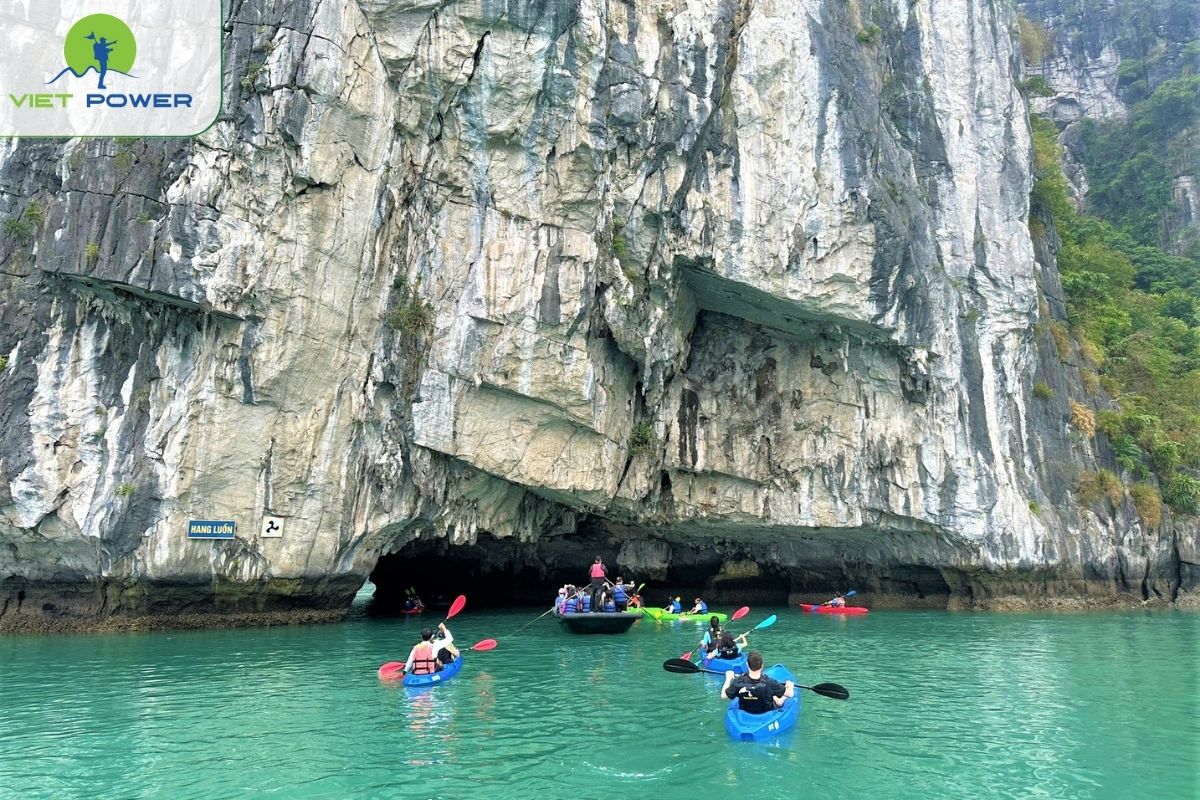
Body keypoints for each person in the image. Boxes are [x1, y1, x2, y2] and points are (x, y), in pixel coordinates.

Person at [720, 652, 794, 714]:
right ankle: (778, 700)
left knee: (770, 692)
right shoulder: (770, 682)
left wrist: (728, 678)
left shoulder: (738, 682)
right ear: (762, 665)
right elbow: (790, 694)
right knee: (772, 692)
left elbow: (723, 695)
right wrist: (790, 686)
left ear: (747, 665)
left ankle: (776, 699)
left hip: (746, 713)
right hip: (766, 713)